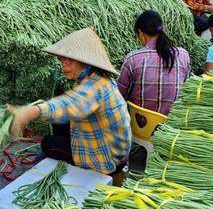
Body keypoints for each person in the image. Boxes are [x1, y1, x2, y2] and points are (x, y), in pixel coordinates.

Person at [8, 28, 132, 176]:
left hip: (106, 160)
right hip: (110, 146)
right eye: (62, 59)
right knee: (58, 123)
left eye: (70, 59)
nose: (64, 64)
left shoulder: (95, 87)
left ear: (86, 62)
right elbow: (73, 104)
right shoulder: (98, 78)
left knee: (48, 144)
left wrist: (29, 112)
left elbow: (68, 105)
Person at [118, 11, 190, 116]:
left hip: (140, 126)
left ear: (141, 33)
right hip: (171, 125)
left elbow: (119, 96)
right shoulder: (182, 55)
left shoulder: (133, 59)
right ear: (162, 29)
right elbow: (185, 88)